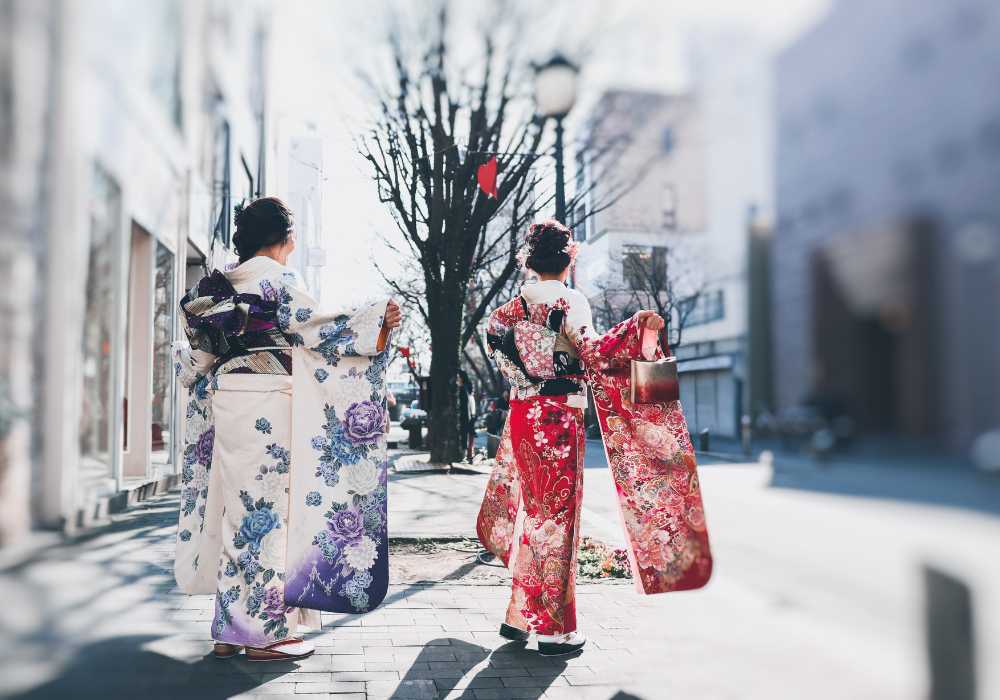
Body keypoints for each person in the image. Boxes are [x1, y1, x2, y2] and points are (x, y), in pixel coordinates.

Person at [173, 197, 402, 661]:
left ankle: (229, 628)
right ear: (286, 239)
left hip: (229, 398)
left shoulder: (224, 284)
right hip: (269, 399)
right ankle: (262, 634)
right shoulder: (276, 279)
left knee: (238, 511)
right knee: (269, 512)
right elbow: (318, 329)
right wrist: (377, 321)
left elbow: (200, 354)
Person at [476, 220, 712, 656]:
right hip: (560, 418)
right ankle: (553, 631)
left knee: (537, 514)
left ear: (529, 261)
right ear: (569, 260)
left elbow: (505, 358)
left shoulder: (504, 313)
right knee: (559, 521)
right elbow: (595, 354)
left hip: (524, 414)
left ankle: (518, 616)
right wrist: (637, 329)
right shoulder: (570, 301)